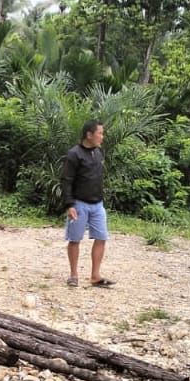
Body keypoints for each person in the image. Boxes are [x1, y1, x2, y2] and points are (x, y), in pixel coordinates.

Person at [61, 119, 113, 288]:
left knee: (101, 238)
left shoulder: (98, 153)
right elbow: (66, 180)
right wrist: (69, 204)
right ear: (89, 135)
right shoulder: (74, 154)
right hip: (79, 204)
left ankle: (95, 275)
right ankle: (73, 275)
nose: (102, 137)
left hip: (97, 204)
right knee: (75, 239)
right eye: (100, 133)